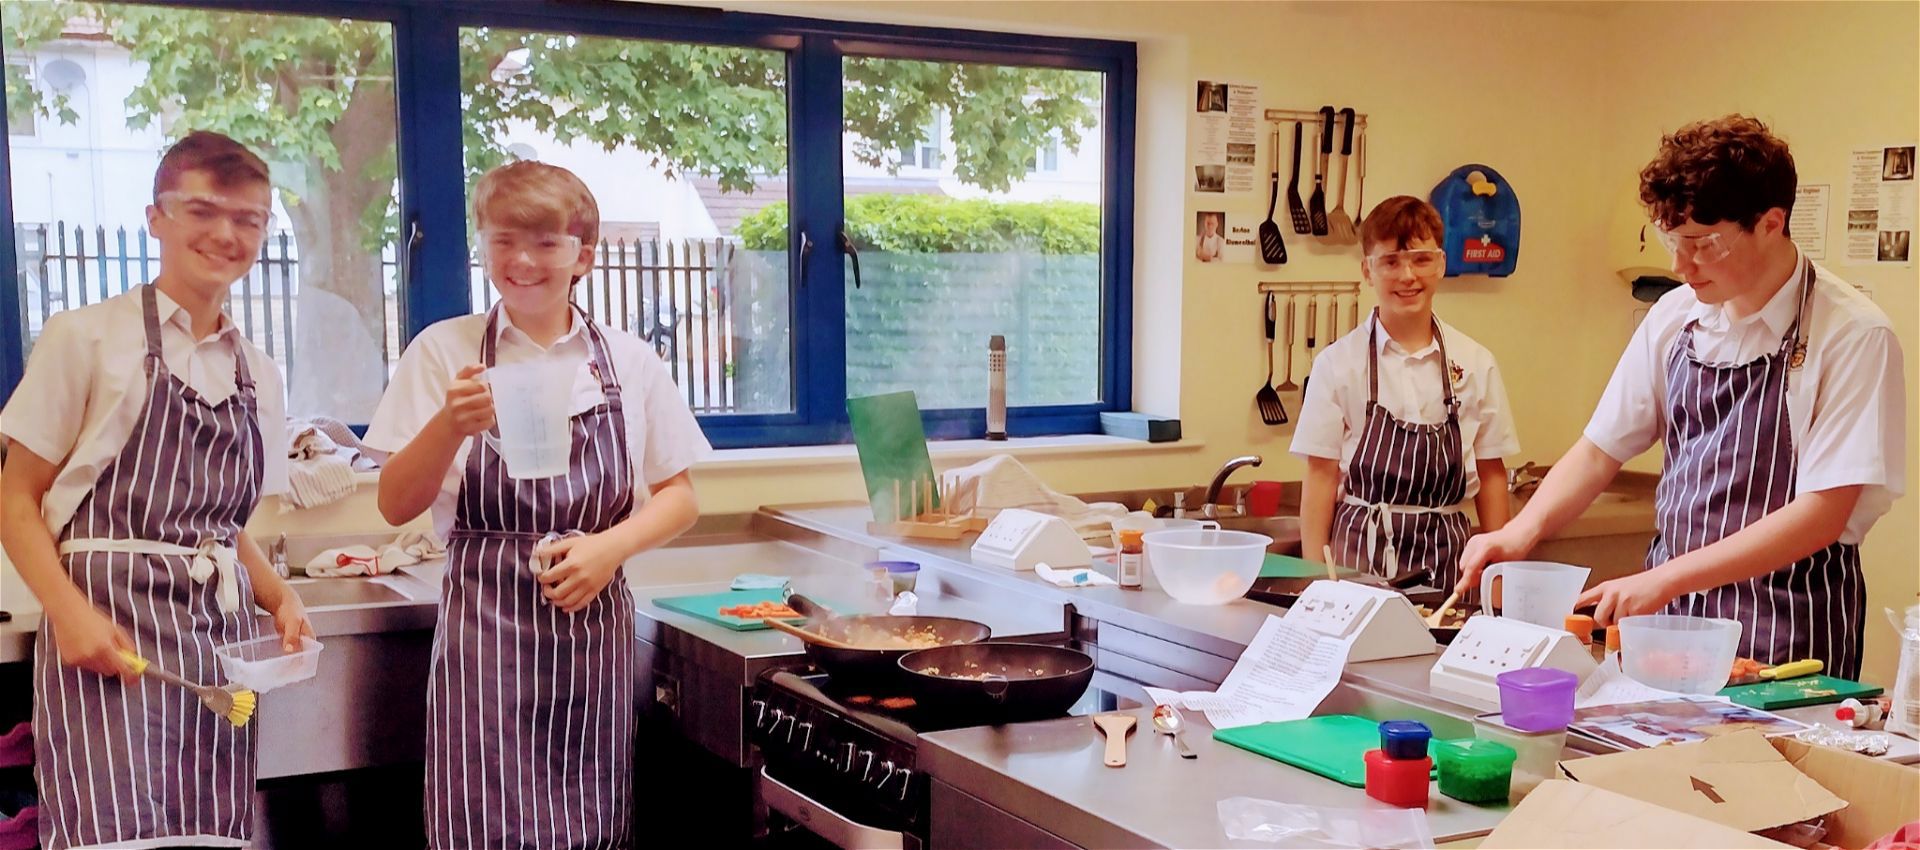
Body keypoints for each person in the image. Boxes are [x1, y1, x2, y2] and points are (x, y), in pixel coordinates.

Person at [1458, 115, 1906, 680]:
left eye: (1701, 243)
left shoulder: (1852, 335)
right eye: (1672, 240)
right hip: (1667, 621)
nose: (1678, 264)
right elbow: (1600, 451)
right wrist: (1520, 532)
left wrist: (1664, 578)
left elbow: (1821, 515)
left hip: (1787, 624)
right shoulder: (1676, 318)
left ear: (1772, 223)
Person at [366, 160, 708, 849]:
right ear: (482, 244)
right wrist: (448, 426)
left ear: (583, 254)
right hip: (484, 644)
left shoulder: (630, 360)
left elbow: (680, 498)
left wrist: (608, 549)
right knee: (482, 828)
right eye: (502, 241)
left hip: (594, 640)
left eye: (546, 243)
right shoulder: (443, 351)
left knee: (591, 822)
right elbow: (394, 505)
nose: (522, 261)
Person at [0, 130, 311, 850]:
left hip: (216, 650)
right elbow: (16, 500)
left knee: (209, 835)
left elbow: (222, 528)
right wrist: (69, 614)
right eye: (202, 210)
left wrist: (278, 595)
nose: (225, 233)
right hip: (108, 632)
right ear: (157, 217)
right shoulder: (84, 338)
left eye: (248, 219)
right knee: (113, 837)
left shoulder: (256, 369)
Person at [1291, 196, 1519, 591]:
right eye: (1391, 262)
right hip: (1356, 567)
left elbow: (1491, 475)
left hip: (1450, 568)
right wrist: (1316, 583)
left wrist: (1499, 581)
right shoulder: (1337, 365)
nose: (1407, 276)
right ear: (1368, 271)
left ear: (1442, 264)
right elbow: (1321, 479)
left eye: (1421, 259)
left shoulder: (1476, 363)